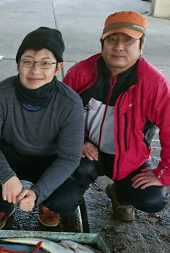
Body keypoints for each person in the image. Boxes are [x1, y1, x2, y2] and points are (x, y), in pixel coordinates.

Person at [63, 11, 169, 221]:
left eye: (128, 40)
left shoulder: (155, 83)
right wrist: (79, 140)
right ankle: (73, 196)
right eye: (112, 39)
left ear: (141, 45)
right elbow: (59, 115)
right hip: (87, 154)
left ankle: (120, 193)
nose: (119, 46)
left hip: (131, 160)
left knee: (153, 199)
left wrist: (163, 172)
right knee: (62, 201)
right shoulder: (81, 72)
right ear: (102, 42)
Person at [0, 27, 84, 229]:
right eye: (27, 61)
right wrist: (6, 175)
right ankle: (3, 205)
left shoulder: (70, 103)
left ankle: (46, 205)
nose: (35, 71)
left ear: (58, 67)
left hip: (49, 159)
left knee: (68, 197)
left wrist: (38, 192)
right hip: (13, 153)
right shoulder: (1, 93)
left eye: (45, 63)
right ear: (18, 64)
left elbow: (70, 157)